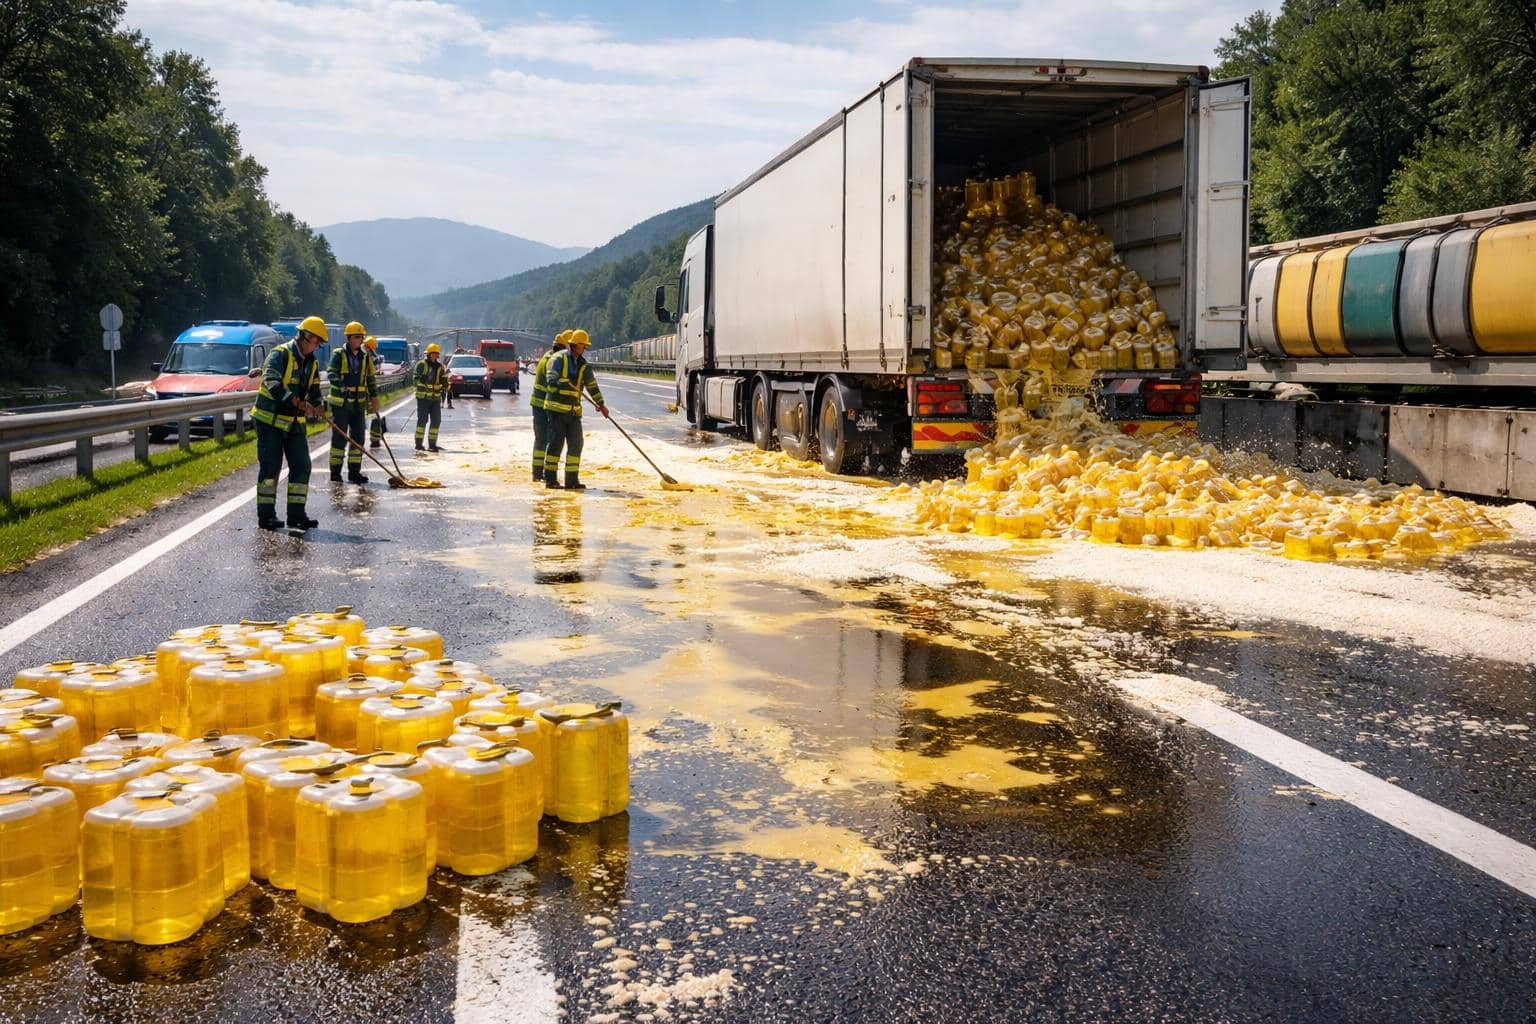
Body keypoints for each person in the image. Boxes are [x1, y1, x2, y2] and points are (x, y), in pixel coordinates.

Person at [252, 315, 326, 531]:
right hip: (270, 422)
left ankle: (296, 515)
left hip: (294, 423)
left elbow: (313, 390)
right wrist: (295, 401)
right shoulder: (280, 354)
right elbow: (271, 381)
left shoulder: (312, 362)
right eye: (317, 342)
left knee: (302, 465)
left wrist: (318, 406)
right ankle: (266, 517)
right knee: (270, 468)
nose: (318, 346)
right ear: (306, 337)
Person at [541, 328, 607, 490]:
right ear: (575, 345)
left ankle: (571, 481)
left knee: (576, 444)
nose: (585, 349)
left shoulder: (584, 365)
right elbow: (551, 378)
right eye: (583, 346)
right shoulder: (558, 359)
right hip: (556, 410)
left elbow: (592, 386)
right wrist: (560, 381)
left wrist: (601, 404)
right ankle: (550, 479)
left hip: (574, 412)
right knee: (556, 444)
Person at [328, 322, 379, 483]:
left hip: (359, 404)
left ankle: (354, 473)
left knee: (358, 439)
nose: (360, 340)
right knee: (339, 439)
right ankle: (335, 474)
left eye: (361, 337)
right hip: (341, 405)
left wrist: (374, 397)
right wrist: (342, 387)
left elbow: (370, 378)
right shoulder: (339, 354)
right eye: (357, 337)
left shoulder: (365, 357)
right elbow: (331, 373)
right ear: (349, 337)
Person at [529, 330, 570, 483]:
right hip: (544, 406)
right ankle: (543, 474)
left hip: (539, 404)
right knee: (547, 440)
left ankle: (537, 474)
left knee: (541, 440)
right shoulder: (553, 361)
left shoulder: (547, 356)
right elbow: (555, 385)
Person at [413, 343, 449, 451]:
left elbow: (443, 379)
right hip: (423, 398)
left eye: (438, 354)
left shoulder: (440, 367)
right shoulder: (421, 365)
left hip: (435, 399)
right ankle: (418, 444)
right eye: (435, 354)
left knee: (436, 421)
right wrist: (421, 379)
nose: (437, 356)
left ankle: (432, 444)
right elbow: (414, 380)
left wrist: (447, 385)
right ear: (429, 354)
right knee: (422, 421)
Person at [365, 336, 386, 448]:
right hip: (362, 394)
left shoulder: (366, 358)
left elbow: (370, 375)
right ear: (367, 347)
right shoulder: (362, 357)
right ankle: (374, 440)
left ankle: (375, 439)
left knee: (374, 416)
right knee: (372, 416)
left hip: (366, 393)